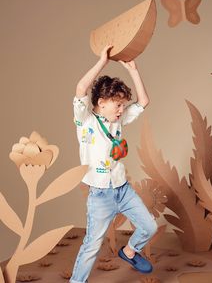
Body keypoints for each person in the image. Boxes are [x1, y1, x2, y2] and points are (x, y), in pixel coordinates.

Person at [70, 45, 158, 283]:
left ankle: (129, 251)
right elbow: (80, 89)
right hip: (100, 194)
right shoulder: (85, 120)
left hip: (122, 188)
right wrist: (102, 62)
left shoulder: (118, 120)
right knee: (92, 245)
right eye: (117, 104)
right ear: (101, 102)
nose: (122, 110)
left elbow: (144, 101)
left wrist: (134, 70)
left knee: (150, 227)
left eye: (123, 105)